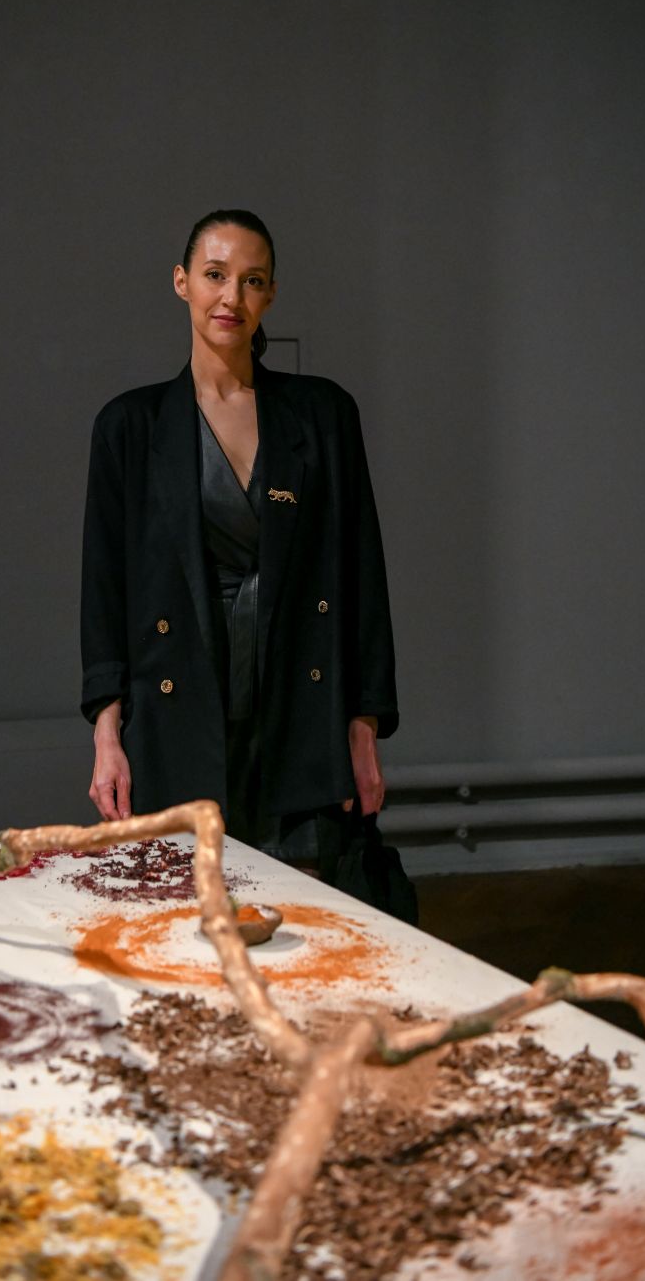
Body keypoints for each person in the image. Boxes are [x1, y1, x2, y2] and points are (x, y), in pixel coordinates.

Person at [80, 209, 402, 892]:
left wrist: (363, 726)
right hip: (178, 714)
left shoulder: (322, 414)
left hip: (300, 712)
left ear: (271, 294)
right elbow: (105, 593)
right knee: (184, 918)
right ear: (182, 282)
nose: (232, 297)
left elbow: (361, 578)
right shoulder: (131, 428)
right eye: (215, 275)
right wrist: (107, 737)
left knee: (306, 918)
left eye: (252, 280)